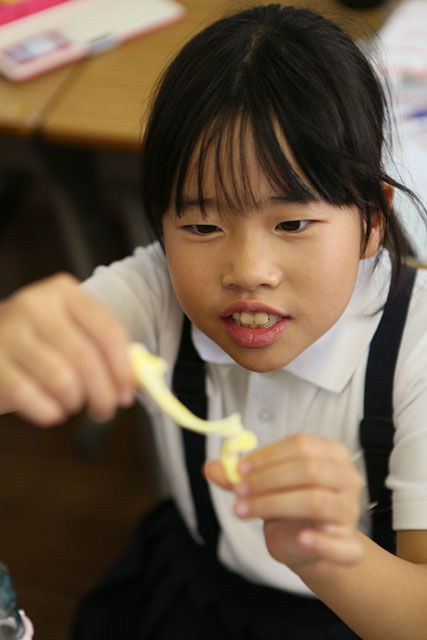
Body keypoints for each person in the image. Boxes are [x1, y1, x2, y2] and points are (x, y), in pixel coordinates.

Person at [0, 4, 427, 639]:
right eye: (202, 226)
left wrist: (327, 553)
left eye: (292, 223)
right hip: (195, 584)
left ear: (370, 221)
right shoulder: (157, 289)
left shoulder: (417, 349)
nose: (248, 271)